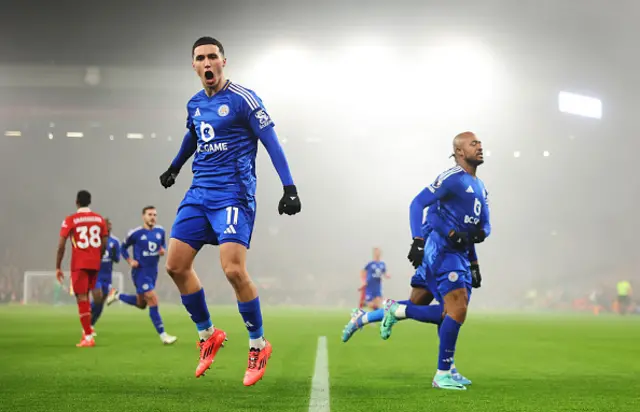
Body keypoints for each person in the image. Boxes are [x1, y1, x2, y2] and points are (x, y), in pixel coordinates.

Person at [158, 36, 301, 386]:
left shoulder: (243, 99)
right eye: (200, 58)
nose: (207, 63)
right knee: (175, 266)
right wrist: (175, 167)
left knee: (233, 270)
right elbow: (193, 136)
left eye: (212, 57)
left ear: (224, 61)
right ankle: (208, 335)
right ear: (193, 65)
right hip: (198, 194)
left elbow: (271, 142)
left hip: (233, 196)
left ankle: (258, 345)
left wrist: (289, 187)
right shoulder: (194, 103)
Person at [386, 132, 490, 390]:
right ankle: (442, 372)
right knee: (457, 309)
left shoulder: (480, 187)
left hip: (461, 256)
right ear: (459, 151)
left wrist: (475, 261)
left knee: (442, 309)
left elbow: (485, 227)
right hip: (442, 252)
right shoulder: (451, 179)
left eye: (480, 142)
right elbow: (417, 203)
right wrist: (418, 241)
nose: (479, 146)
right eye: (473, 143)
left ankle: (447, 367)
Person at [107, 207, 176, 345]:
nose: (153, 217)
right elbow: (123, 247)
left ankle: (117, 295)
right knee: (153, 300)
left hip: (152, 272)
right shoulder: (136, 233)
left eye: (155, 215)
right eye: (150, 214)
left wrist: (162, 250)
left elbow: (162, 245)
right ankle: (164, 336)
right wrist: (130, 261)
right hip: (140, 272)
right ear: (143, 216)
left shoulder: (160, 231)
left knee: (141, 304)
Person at [56, 190, 108, 347]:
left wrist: (58, 266)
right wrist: (98, 256)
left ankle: (87, 336)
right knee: (93, 294)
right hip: (95, 262)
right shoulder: (99, 219)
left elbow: (61, 245)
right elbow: (104, 242)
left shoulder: (71, 219)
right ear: (89, 202)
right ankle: (88, 329)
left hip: (79, 263)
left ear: (76, 202)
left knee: (82, 297)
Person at [90, 218, 120, 332]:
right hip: (96, 274)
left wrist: (113, 254)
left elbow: (117, 259)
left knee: (101, 303)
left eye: (109, 225)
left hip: (107, 276)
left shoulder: (115, 242)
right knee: (98, 297)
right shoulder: (95, 240)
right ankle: (86, 310)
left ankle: (90, 325)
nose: (108, 227)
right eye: (106, 225)